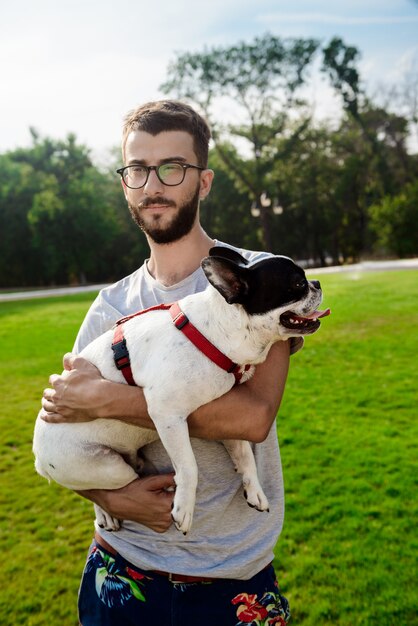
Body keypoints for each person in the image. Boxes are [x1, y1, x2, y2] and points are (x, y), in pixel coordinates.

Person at [41, 100, 301, 626]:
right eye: (137, 169)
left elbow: (251, 417)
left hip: (231, 573)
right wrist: (111, 496)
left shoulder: (257, 283)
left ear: (203, 182)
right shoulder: (110, 306)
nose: (152, 184)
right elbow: (64, 433)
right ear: (124, 183)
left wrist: (113, 399)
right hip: (123, 569)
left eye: (172, 168)